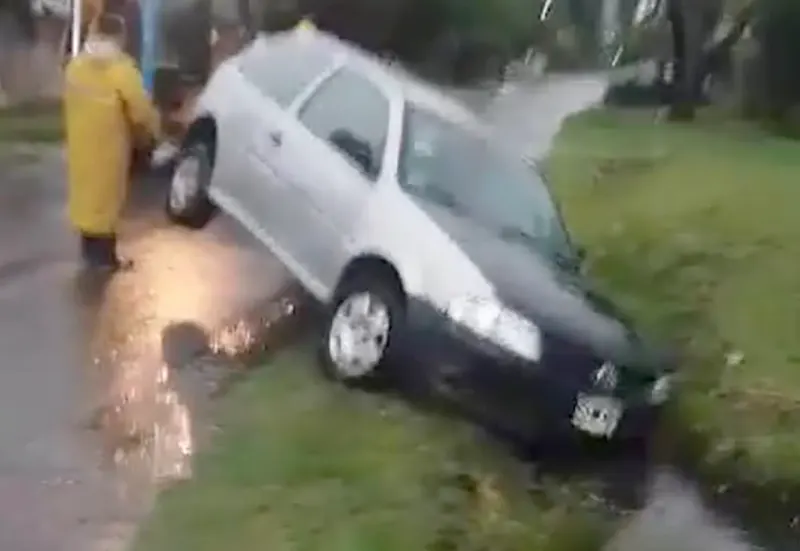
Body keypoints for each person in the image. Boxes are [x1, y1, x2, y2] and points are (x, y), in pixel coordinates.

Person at [64, 13, 161, 271]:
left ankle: (89, 252)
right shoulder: (122, 70)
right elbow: (141, 110)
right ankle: (104, 259)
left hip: (80, 143)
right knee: (106, 201)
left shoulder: (77, 66)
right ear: (119, 36)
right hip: (109, 147)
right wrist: (155, 130)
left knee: (85, 196)